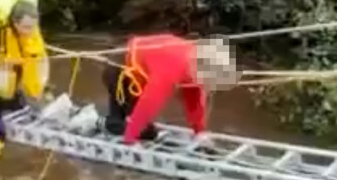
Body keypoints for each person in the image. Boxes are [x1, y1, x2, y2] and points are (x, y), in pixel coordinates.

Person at [101, 34, 239, 146]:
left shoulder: (196, 66)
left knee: (139, 125)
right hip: (119, 69)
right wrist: (131, 140)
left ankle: (114, 120)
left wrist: (200, 132)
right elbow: (148, 104)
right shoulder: (172, 71)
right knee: (147, 132)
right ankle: (108, 123)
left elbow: (195, 100)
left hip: (137, 67)